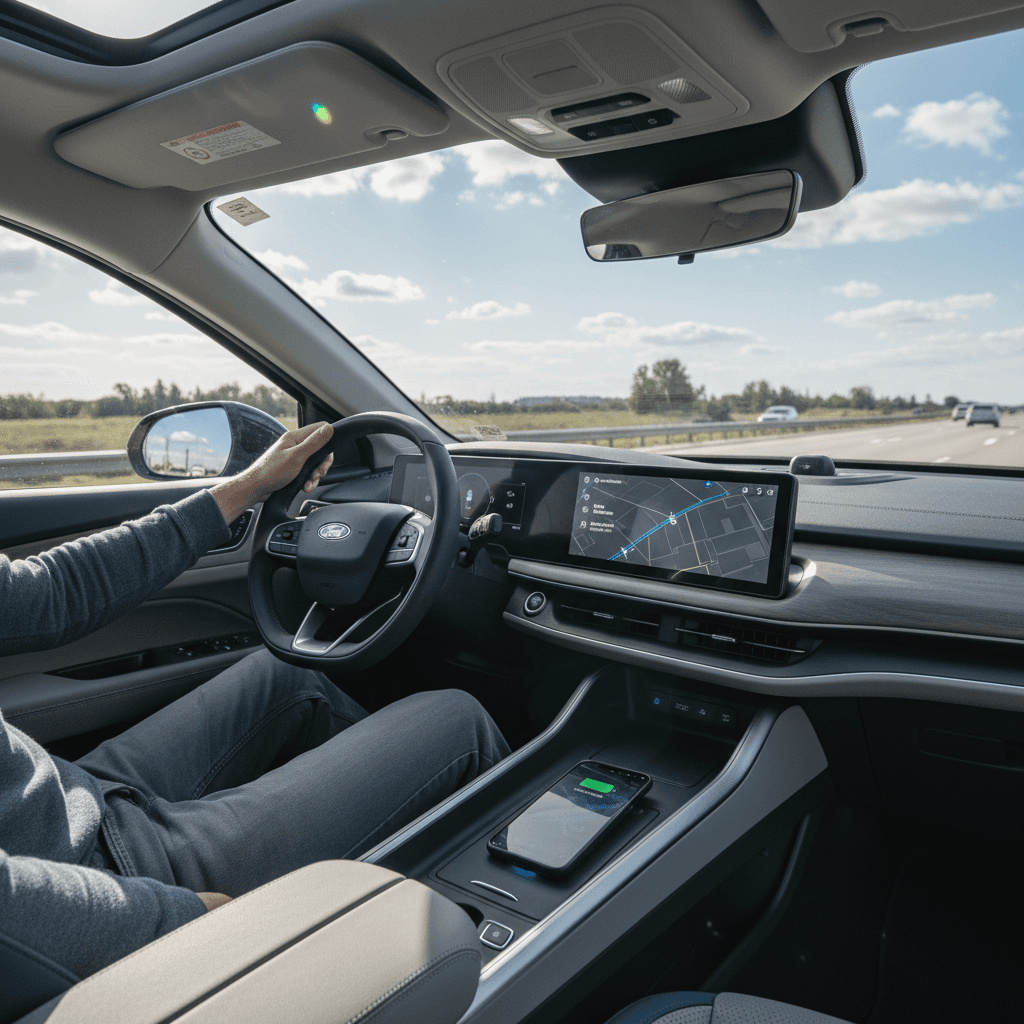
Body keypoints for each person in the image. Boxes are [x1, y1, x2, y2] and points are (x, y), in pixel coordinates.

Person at [0, 421, 509, 981]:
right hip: (94, 876)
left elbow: (47, 594)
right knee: (458, 721)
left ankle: (371, 859)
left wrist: (248, 486)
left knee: (290, 673)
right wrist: (183, 919)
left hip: (59, 801)